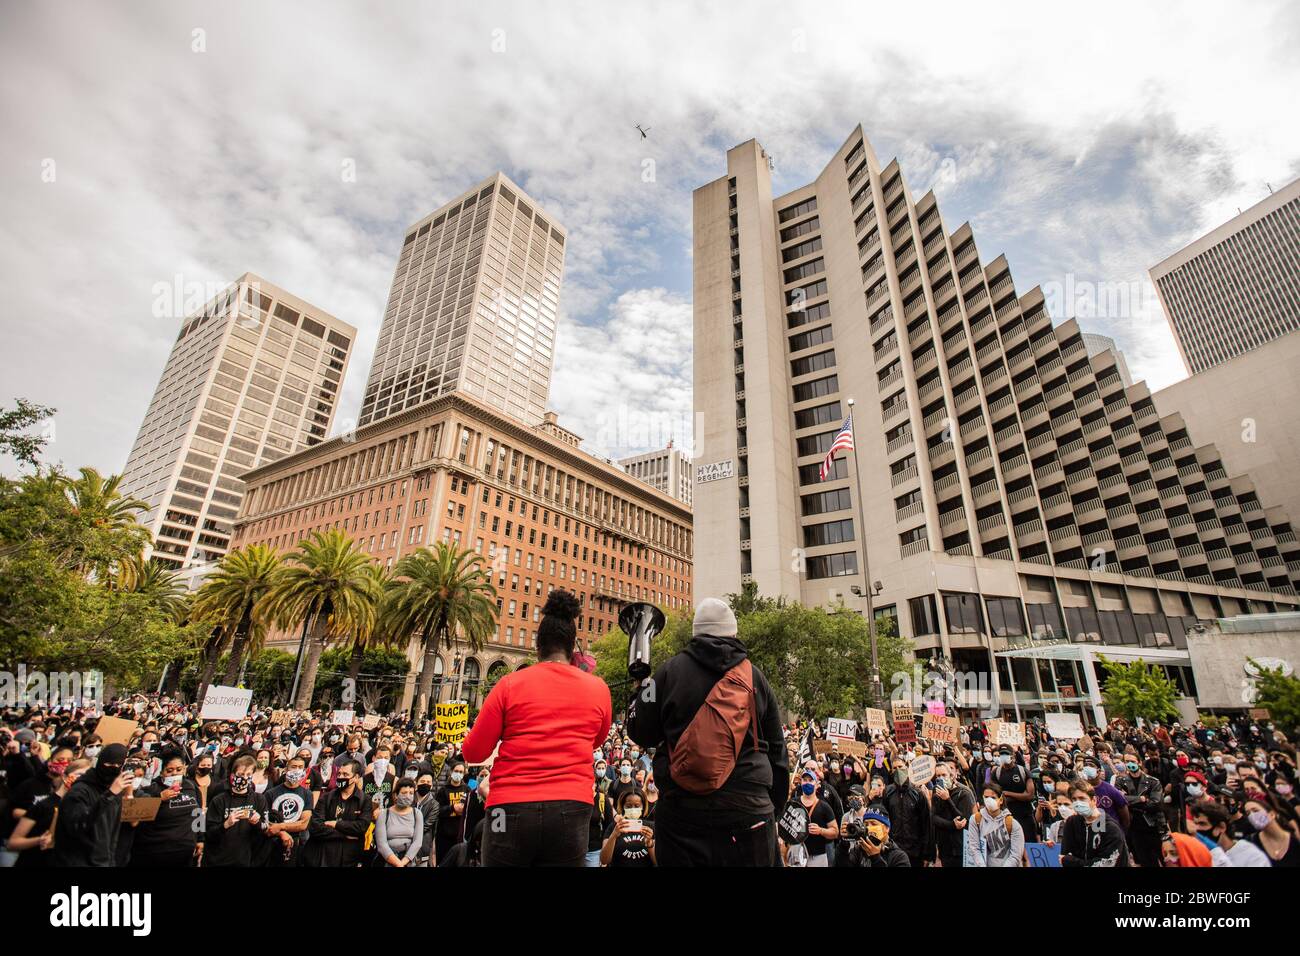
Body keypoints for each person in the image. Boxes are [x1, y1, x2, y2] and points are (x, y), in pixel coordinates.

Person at [626, 597, 789, 867]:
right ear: (733, 633)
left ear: (695, 633)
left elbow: (639, 730)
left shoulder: (666, 673)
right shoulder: (756, 678)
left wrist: (639, 691)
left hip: (682, 816)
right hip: (750, 813)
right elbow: (778, 751)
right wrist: (772, 809)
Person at [462, 590, 614, 867]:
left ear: (537, 646)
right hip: (572, 808)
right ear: (573, 647)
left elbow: (474, 751)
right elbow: (596, 739)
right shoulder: (599, 689)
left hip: (507, 810)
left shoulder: (509, 684)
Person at [53, 742, 131, 867]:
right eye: (110, 764)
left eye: (118, 765)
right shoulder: (80, 790)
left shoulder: (116, 792)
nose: (114, 768)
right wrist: (109, 795)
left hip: (102, 862)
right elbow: (77, 825)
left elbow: (111, 832)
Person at [6, 757, 88, 868]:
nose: (83, 781)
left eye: (87, 777)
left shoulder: (79, 808)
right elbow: (13, 843)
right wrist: (39, 840)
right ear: (64, 776)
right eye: (80, 775)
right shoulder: (44, 806)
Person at [130, 751, 201, 867]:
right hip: (155, 853)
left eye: (179, 769)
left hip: (184, 852)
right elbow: (135, 818)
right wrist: (160, 798)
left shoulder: (191, 786)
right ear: (162, 772)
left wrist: (200, 839)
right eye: (169, 770)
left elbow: (198, 813)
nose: (174, 773)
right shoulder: (152, 789)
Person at [303, 759, 373, 867]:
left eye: (345, 774)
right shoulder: (326, 797)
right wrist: (344, 835)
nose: (340, 777)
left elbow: (361, 827)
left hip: (349, 858)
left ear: (356, 777)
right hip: (323, 855)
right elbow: (316, 827)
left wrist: (335, 824)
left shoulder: (364, 800)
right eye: (339, 773)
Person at [204, 754, 269, 867]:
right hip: (218, 859)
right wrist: (226, 824)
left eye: (248, 774)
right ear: (233, 775)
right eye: (241, 774)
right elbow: (209, 833)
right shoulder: (219, 800)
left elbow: (266, 829)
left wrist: (257, 823)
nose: (244, 778)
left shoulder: (259, 799)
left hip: (245, 859)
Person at [1057, 781, 1130, 867]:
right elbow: (1064, 855)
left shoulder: (1109, 827)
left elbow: (1105, 864)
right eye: (1074, 799)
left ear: (1094, 800)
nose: (1078, 803)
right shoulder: (1072, 822)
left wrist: (1072, 862)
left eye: (1082, 798)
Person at [262, 754, 313, 867]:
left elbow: (303, 824)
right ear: (286, 769)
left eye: (300, 767)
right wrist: (281, 833)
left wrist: (280, 827)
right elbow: (265, 820)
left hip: (295, 843)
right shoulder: (271, 793)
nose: (297, 770)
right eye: (293, 766)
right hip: (272, 842)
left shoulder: (307, 794)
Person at [883, 756, 932, 867]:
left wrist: (927, 854)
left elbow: (926, 824)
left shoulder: (918, 793)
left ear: (907, 767)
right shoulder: (888, 792)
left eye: (900, 766)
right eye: (894, 768)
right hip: (894, 848)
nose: (898, 770)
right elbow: (885, 819)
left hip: (915, 850)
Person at [1191, 800, 1270, 867]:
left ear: (1221, 827)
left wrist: (1215, 852)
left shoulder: (1251, 855)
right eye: (1195, 824)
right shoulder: (1200, 855)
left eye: (1202, 824)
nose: (1196, 829)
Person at [966, 782, 1024, 867]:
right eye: (986, 797)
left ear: (1000, 800)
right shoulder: (975, 819)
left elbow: (1015, 855)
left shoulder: (1013, 824)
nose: (989, 800)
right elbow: (974, 848)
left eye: (993, 797)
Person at [931, 759, 974, 868]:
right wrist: (951, 824)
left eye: (944, 775)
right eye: (938, 776)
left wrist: (948, 799)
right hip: (945, 847)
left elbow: (963, 819)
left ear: (951, 776)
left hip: (960, 847)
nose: (941, 778)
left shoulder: (964, 793)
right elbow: (934, 818)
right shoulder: (937, 793)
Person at [835, 808, 910, 868]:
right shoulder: (859, 850)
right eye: (866, 824)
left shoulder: (899, 856)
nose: (868, 827)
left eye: (873, 824)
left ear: (887, 828)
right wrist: (843, 844)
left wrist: (875, 857)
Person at [376, 777, 425, 867]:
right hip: (388, 860)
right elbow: (381, 844)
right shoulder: (384, 814)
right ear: (396, 795)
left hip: (409, 861)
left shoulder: (417, 814)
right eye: (404, 793)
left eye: (411, 793)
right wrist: (398, 864)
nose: (408, 796)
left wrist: (403, 863)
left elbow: (417, 842)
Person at [600, 789, 656, 867]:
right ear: (623, 807)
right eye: (628, 806)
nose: (633, 809)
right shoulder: (614, 827)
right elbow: (604, 860)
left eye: (637, 806)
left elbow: (657, 862)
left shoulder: (650, 827)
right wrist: (614, 835)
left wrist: (650, 843)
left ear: (643, 806)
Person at [1243, 793, 1300, 866]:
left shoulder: (1295, 840)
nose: (1252, 815)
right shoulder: (1251, 843)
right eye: (1248, 813)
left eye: (1255, 810)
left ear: (1272, 814)